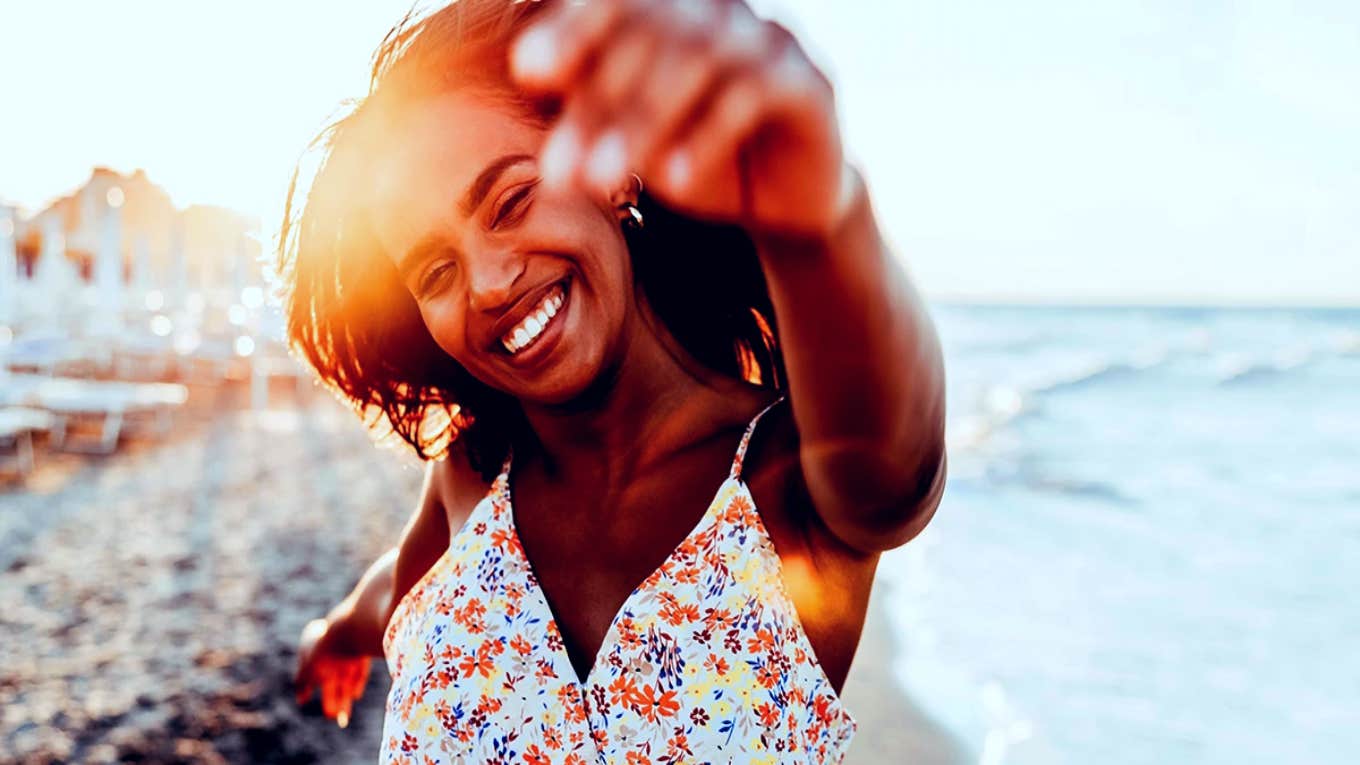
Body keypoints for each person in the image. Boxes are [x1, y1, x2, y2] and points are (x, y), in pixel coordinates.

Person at [283, 0, 946, 761]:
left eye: (510, 200)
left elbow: (903, 472)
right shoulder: (470, 476)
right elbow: (392, 598)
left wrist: (824, 212)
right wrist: (333, 635)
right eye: (437, 270)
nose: (491, 283)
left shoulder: (788, 488)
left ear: (611, 169)